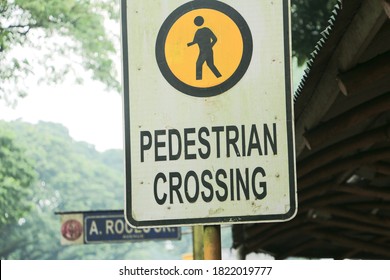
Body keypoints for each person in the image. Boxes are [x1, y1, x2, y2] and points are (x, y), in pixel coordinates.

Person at [187, 16, 222, 80]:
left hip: (205, 51)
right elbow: (195, 41)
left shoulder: (206, 29)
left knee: (199, 65)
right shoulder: (199, 31)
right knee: (210, 65)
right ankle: (219, 77)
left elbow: (215, 39)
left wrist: (210, 46)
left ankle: (199, 80)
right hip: (205, 51)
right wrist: (188, 44)